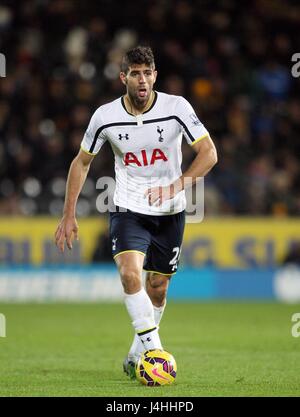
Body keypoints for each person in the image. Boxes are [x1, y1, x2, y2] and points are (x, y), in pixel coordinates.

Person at [54, 46, 217, 379]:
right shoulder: (105, 116)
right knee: (130, 274)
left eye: (148, 73)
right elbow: (81, 162)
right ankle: (155, 353)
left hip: (171, 211)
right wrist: (68, 213)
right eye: (135, 73)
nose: (142, 80)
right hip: (128, 207)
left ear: (155, 76)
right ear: (123, 77)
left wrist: (178, 185)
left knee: (157, 286)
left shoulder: (177, 108)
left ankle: (135, 354)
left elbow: (209, 153)